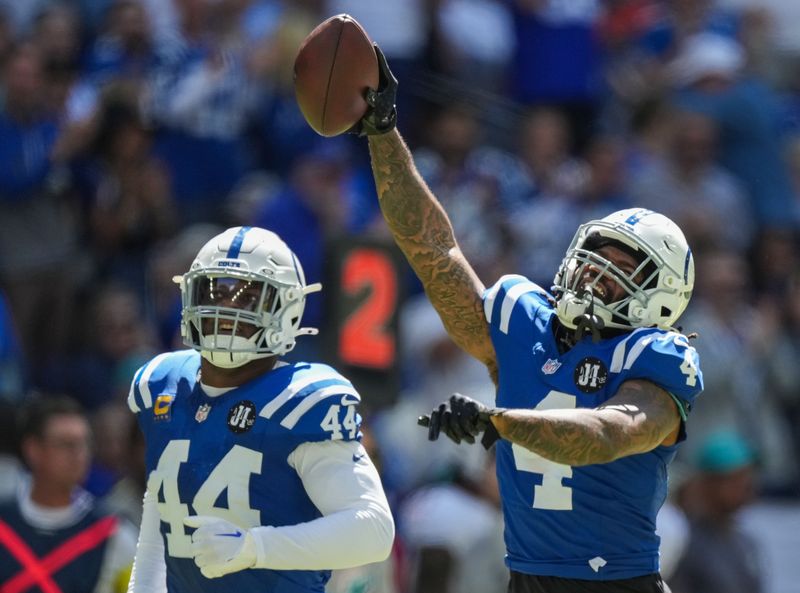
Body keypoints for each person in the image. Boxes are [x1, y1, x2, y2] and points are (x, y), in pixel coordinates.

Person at [350, 46, 703, 593]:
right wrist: (383, 133)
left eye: (620, 266)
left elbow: (610, 433)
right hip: (525, 579)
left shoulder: (656, 358)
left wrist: (501, 421)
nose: (594, 272)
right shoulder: (524, 319)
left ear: (660, 295)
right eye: (596, 253)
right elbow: (434, 250)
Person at [125, 226, 394, 593]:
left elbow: (373, 529)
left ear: (288, 309)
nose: (225, 308)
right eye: (214, 292)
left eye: (247, 296)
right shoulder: (163, 383)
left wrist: (254, 548)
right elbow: (163, 522)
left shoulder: (302, 398)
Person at [0, 396, 137, 593]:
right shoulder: (4, 523)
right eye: (66, 444)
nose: (79, 454)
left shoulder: (114, 534)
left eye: (84, 443)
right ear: (33, 450)